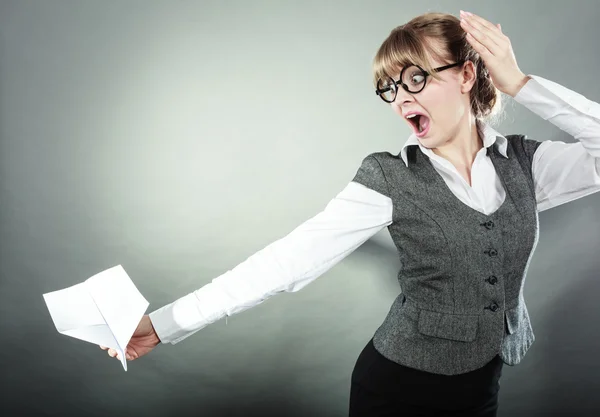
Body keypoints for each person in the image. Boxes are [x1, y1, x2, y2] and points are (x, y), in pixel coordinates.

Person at [101, 10, 600, 417]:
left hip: (480, 390)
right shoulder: (388, 177)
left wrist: (520, 83)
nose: (402, 97)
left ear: (467, 75)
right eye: (390, 87)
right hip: (398, 392)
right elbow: (286, 263)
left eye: (416, 78)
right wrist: (164, 324)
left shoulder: (525, 164)